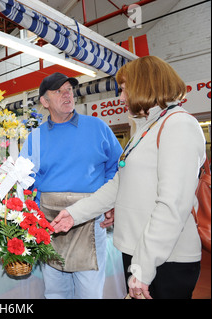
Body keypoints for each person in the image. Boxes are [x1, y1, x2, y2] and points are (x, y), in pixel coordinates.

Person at [50, 56, 206, 299]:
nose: (121, 98)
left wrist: (144, 267)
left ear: (144, 85)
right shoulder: (147, 128)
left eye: (123, 89)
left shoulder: (179, 126)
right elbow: (119, 184)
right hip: (139, 253)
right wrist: (74, 214)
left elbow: (172, 205)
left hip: (165, 259)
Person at [19, 72, 123, 299]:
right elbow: (24, 181)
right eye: (59, 91)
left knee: (89, 292)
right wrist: (32, 217)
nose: (67, 94)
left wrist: (108, 202)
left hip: (89, 219)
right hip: (48, 223)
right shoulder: (34, 138)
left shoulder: (97, 127)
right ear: (44, 102)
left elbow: (117, 167)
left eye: (69, 89)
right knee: (55, 291)